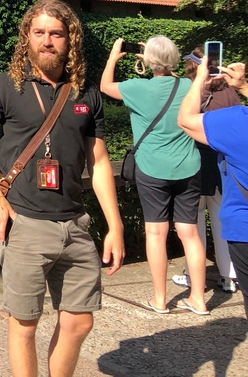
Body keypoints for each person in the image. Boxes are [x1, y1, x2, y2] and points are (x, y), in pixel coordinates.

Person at [0, 0, 124, 377]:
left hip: (74, 224)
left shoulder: (86, 94)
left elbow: (98, 163)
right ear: (27, 39)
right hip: (24, 223)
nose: (47, 41)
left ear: (70, 40)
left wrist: (114, 226)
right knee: (24, 323)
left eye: (56, 33)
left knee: (79, 321)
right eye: (39, 33)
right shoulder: (5, 87)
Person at [100, 36, 208, 315]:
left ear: (148, 61)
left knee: (156, 233)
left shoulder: (138, 88)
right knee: (190, 233)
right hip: (188, 166)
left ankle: (160, 300)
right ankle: (198, 299)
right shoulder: (188, 85)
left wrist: (113, 56)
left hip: (151, 168)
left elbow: (104, 87)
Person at [178, 58, 248, 319]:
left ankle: (191, 275)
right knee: (217, 222)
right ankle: (229, 276)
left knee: (195, 222)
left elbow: (185, 120)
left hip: (202, 170)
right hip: (224, 181)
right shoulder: (233, 101)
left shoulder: (238, 122)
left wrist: (198, 80)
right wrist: (240, 87)